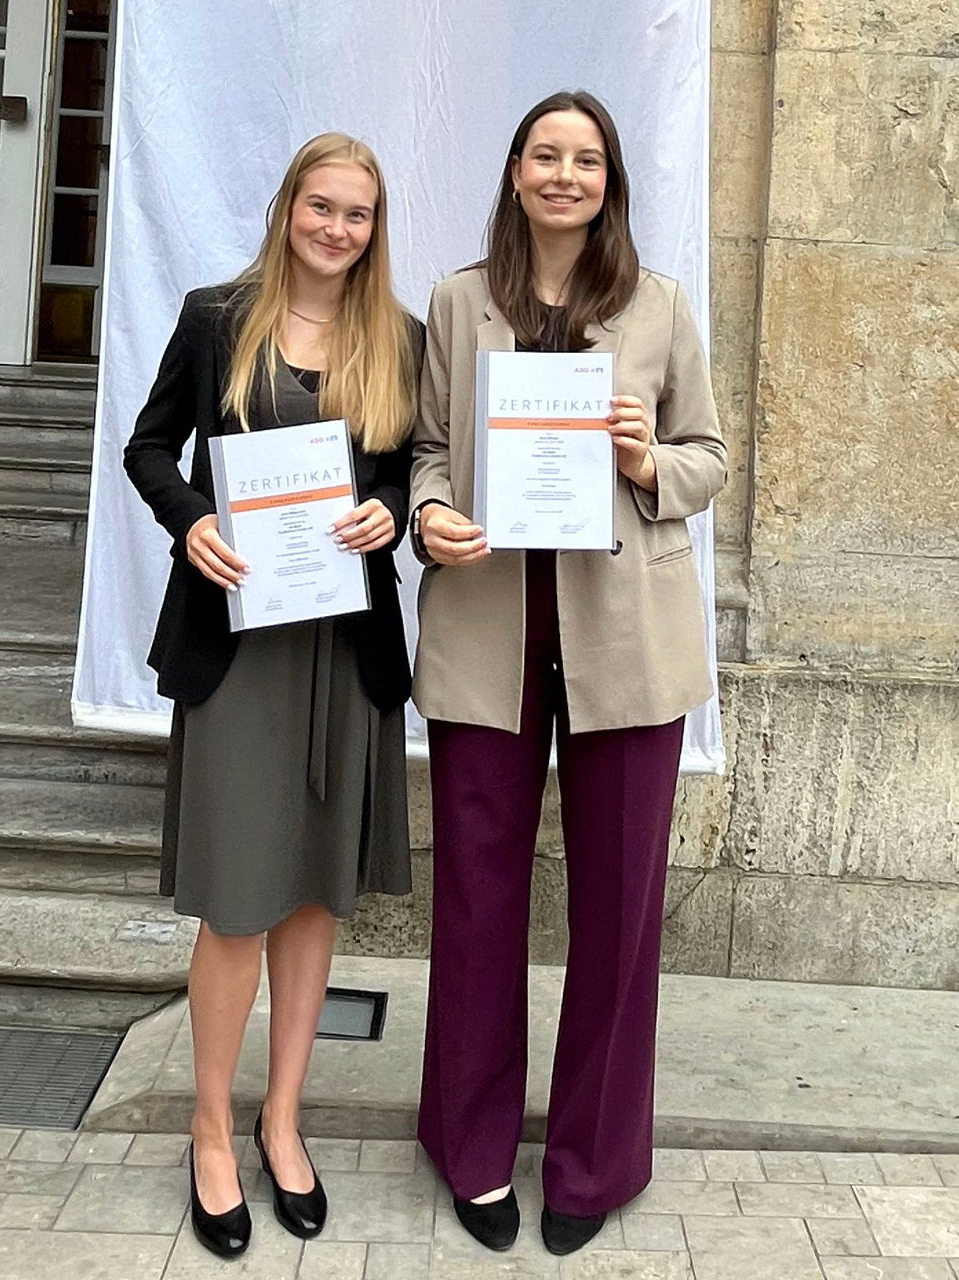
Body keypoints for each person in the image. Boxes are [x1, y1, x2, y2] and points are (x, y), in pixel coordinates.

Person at [409, 90, 726, 1257]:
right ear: (512, 171)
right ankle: (472, 1147)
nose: (562, 173)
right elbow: (430, 450)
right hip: (488, 625)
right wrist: (430, 511)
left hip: (623, 641)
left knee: (618, 914)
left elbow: (711, 455)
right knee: (477, 902)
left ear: (608, 181)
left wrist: (651, 463)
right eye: (544, 154)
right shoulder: (456, 300)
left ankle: (594, 1160)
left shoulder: (659, 307)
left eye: (584, 157)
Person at [123, 133, 420, 1261]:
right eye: (321, 205)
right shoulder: (214, 317)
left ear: (372, 228)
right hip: (241, 647)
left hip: (342, 654)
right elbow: (150, 448)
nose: (336, 227)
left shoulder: (396, 337)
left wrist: (387, 508)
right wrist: (189, 517)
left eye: (357, 213)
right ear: (287, 204)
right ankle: (209, 1127)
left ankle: (281, 1117)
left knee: (310, 894)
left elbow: (405, 465)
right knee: (237, 901)